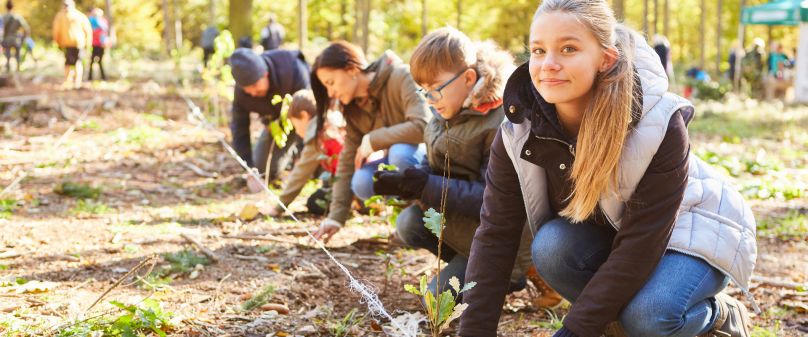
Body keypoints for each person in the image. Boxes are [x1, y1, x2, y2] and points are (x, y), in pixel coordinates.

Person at [459, 1, 757, 337]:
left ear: (606, 58)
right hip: (618, 233)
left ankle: (720, 315)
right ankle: (618, 322)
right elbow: (495, 235)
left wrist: (571, 332)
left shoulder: (660, 122)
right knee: (552, 247)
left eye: (568, 49)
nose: (548, 64)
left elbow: (639, 246)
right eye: (538, 50)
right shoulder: (518, 130)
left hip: (692, 231)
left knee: (650, 317)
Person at [370, 27, 562, 307]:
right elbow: (436, 161)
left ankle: (512, 271)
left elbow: (492, 199)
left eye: (435, 90)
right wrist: (407, 183)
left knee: (436, 301)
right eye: (424, 92)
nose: (430, 101)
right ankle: (478, 266)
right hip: (469, 226)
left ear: (469, 78)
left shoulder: (500, 122)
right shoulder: (445, 108)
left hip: (502, 235)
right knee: (410, 223)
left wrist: (426, 187)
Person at [309, 41, 431, 243]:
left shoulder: (401, 76)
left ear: (351, 69)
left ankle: (425, 214)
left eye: (331, 83)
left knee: (400, 153)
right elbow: (347, 160)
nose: (330, 93)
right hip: (400, 167)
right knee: (362, 182)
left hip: (427, 162)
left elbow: (423, 126)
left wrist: (373, 139)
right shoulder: (354, 109)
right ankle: (404, 220)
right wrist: (335, 217)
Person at [228, 48, 310, 192]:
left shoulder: (292, 69)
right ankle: (286, 162)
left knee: (310, 162)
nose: (252, 93)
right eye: (247, 89)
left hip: (305, 120)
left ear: (265, 74)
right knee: (263, 170)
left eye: (255, 86)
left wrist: (303, 157)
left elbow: (310, 112)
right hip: (277, 125)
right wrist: (249, 167)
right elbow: (239, 128)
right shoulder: (241, 93)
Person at [266, 89, 346, 217]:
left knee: (314, 202)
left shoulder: (318, 135)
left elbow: (301, 174)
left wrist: (279, 206)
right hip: (353, 175)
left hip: (348, 182)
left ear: (304, 116)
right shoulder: (331, 120)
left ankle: (354, 201)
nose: (297, 132)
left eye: (296, 126)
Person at [52, 0, 92, 89]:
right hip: (79, 42)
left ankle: (68, 81)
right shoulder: (80, 15)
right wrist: (88, 43)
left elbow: (56, 30)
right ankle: (77, 82)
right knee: (78, 62)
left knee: (68, 63)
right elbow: (88, 30)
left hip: (68, 42)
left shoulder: (60, 16)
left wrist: (57, 42)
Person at [2, 0, 29, 73]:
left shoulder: (3, 17)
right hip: (16, 39)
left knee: (7, 54)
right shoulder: (18, 17)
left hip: (6, 39)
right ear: (13, 7)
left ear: (6, 7)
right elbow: (26, 28)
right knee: (18, 55)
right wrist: (23, 38)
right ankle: (18, 69)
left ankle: (8, 69)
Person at [87, 8, 110, 81]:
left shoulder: (102, 22)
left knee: (99, 61)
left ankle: (102, 77)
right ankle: (91, 77)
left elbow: (104, 33)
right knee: (93, 61)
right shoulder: (92, 21)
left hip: (100, 44)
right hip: (95, 44)